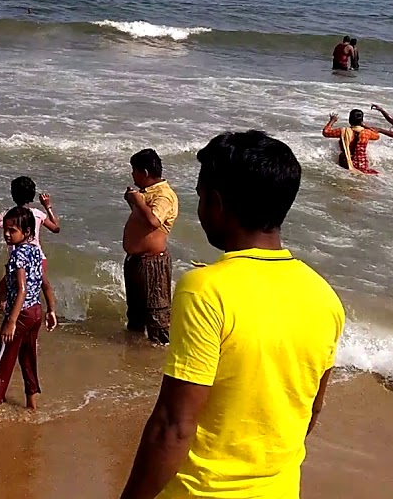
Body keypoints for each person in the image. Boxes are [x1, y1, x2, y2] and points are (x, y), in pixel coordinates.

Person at [118, 130, 344, 499]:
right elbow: (311, 412)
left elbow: (173, 427)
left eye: (201, 198)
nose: (200, 209)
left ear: (217, 204)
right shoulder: (325, 297)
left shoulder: (205, 289)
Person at [0, 206, 48, 429]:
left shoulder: (17, 255)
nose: (6, 234)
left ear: (27, 231)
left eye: (12, 231)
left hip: (20, 314)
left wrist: (11, 320)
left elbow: (21, 289)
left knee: (3, 362)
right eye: (5, 229)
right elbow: (43, 282)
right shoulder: (35, 251)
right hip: (35, 312)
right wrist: (50, 309)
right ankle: (32, 403)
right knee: (28, 358)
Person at [0, 177, 60, 326]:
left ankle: (10, 318)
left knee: (4, 291)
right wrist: (48, 206)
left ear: (13, 195)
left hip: (19, 261)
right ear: (33, 195)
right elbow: (56, 228)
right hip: (38, 259)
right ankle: (43, 314)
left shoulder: (10, 216)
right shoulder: (38, 214)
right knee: (35, 290)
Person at [122, 149, 179, 345]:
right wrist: (134, 201)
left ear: (145, 173)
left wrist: (138, 201)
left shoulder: (164, 195)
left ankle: (156, 362)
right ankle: (135, 356)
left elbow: (154, 221)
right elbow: (143, 221)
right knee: (135, 315)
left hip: (153, 262)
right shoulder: (148, 193)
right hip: (136, 260)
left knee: (157, 316)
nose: (132, 175)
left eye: (134, 171)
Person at [322, 109, 380, 174]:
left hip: (345, 164)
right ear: (361, 121)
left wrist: (332, 120)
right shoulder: (367, 133)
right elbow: (377, 135)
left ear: (350, 120)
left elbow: (325, 132)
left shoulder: (343, 131)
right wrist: (365, 126)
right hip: (362, 164)